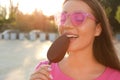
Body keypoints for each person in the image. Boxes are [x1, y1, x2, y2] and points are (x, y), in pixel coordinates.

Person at [30, 0, 120, 80]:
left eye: (78, 18)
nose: (66, 24)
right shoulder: (44, 71)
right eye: (62, 18)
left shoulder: (115, 77)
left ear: (97, 29)